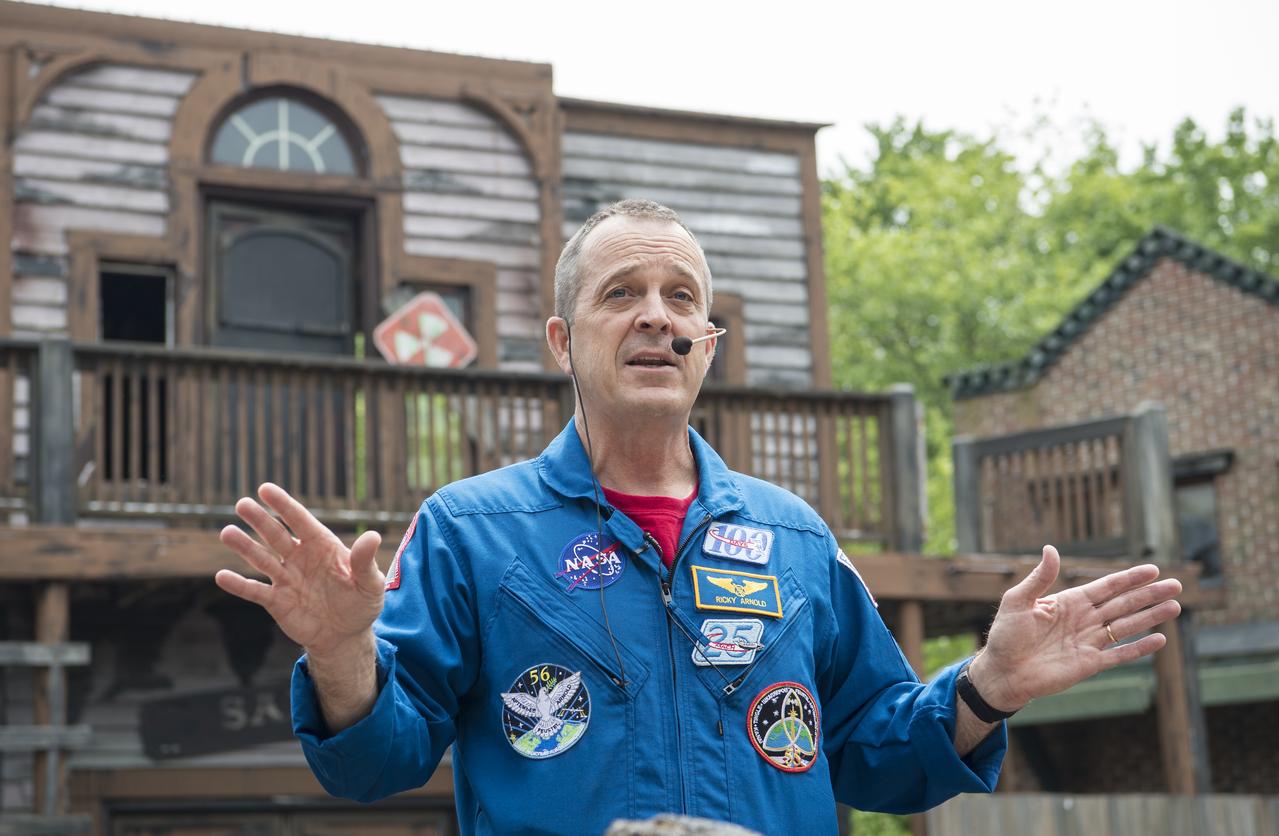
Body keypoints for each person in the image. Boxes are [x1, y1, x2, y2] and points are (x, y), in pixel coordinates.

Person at [215, 200, 1182, 834]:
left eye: (682, 300)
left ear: (706, 344)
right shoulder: (473, 531)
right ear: (562, 338)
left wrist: (986, 685)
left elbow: (876, 758)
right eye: (621, 294)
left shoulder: (794, 539)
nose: (657, 318)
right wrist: (345, 655)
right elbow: (374, 766)